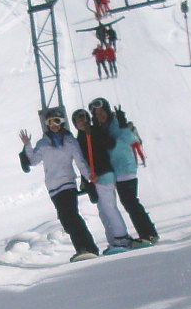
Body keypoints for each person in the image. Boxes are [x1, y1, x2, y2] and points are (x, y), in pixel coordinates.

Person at [19, 107, 99, 261]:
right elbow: (34, 161)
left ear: (62, 122)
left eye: (57, 121)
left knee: (72, 217)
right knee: (66, 220)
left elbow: (80, 161)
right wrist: (27, 145)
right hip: (53, 188)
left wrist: (89, 176)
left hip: (67, 184)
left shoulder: (69, 141)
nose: (54, 125)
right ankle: (83, 248)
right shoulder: (43, 143)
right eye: (50, 122)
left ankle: (87, 247)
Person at [89, 98, 159, 243]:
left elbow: (130, 139)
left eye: (102, 111)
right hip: (117, 170)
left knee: (130, 201)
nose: (100, 115)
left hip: (126, 167)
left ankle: (148, 234)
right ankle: (148, 232)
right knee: (130, 202)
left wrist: (122, 127)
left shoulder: (116, 123)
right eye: (96, 113)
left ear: (107, 110)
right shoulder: (102, 127)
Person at [71, 109, 141, 251]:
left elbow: (109, 144)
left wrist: (95, 133)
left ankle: (122, 237)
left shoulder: (94, 132)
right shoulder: (80, 138)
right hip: (94, 177)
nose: (81, 122)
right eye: (78, 120)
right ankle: (113, 239)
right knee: (103, 210)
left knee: (109, 207)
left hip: (104, 173)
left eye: (83, 119)